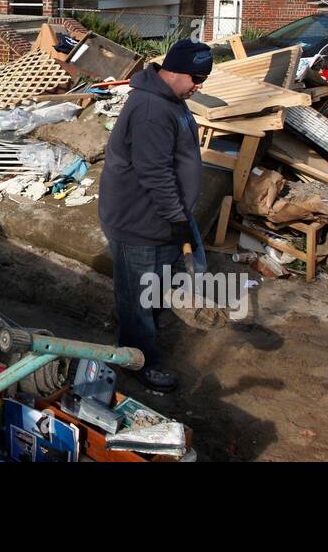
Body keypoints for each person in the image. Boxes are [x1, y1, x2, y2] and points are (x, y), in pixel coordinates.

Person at [98, 38, 214, 392]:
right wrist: (178, 219)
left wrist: (179, 218)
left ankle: (139, 339)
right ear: (174, 70)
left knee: (157, 289)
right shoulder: (151, 109)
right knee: (139, 299)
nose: (199, 86)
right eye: (195, 78)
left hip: (164, 217)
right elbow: (155, 174)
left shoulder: (172, 100)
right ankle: (137, 362)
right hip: (141, 222)